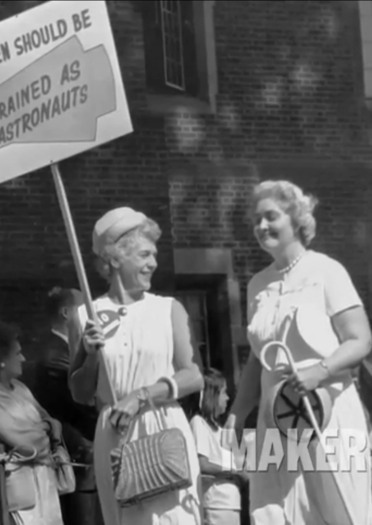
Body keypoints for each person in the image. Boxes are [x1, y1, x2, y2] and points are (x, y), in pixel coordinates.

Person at [225, 180, 372, 524]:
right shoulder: (257, 284)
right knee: (274, 511)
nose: (261, 227)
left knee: (339, 509)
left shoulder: (327, 271)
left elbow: (361, 340)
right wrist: (237, 411)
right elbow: (258, 360)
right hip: (275, 418)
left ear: (296, 219)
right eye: (256, 221)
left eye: (271, 217)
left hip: (327, 412)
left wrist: (319, 370)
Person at [69, 207, 204, 525]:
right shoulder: (86, 314)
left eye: (153, 255)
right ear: (115, 258)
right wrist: (89, 354)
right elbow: (79, 393)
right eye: (145, 254)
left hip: (163, 427)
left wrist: (142, 395)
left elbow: (194, 375)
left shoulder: (168, 309)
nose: (153, 263)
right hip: (115, 434)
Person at [0, 323, 65, 525]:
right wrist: (46, 430)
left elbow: (52, 422)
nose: (23, 358)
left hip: (44, 486)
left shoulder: (20, 389)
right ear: (2, 359)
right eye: (18, 353)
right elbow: (32, 444)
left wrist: (47, 428)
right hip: (14, 496)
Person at [33, 287, 102, 525]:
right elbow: (86, 402)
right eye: (83, 308)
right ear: (66, 313)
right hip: (79, 456)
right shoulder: (55, 355)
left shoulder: (70, 351)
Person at [190, 368, 246, 525]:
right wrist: (234, 472)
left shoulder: (222, 430)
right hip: (215, 503)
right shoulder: (198, 423)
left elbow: (236, 463)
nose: (227, 398)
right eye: (224, 392)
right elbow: (203, 464)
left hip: (232, 503)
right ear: (212, 395)